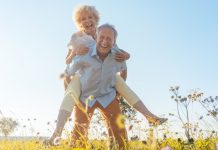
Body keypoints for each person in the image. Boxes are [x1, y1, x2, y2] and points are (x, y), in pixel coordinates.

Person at [46, 5, 167, 145]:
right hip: (83, 83)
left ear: (96, 20)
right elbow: (67, 64)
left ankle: (149, 116)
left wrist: (128, 56)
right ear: (79, 22)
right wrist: (74, 52)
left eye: (90, 17)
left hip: (106, 87)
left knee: (122, 91)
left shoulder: (106, 39)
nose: (87, 21)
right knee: (77, 129)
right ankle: (57, 133)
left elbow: (122, 61)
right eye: (83, 19)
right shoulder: (77, 38)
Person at [68, 24, 128, 149]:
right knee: (78, 133)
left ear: (114, 41)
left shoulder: (118, 56)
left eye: (109, 39)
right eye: (102, 37)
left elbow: (124, 69)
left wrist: (118, 92)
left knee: (119, 132)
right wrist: (72, 95)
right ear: (96, 37)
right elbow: (69, 72)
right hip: (85, 97)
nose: (104, 41)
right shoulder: (84, 53)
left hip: (108, 95)